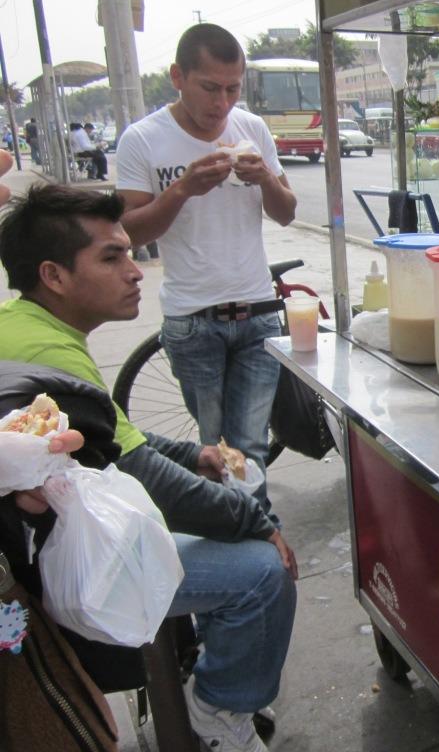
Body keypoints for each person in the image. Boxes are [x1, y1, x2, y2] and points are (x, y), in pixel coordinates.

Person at [0, 185, 298, 752]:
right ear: (54, 275)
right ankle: (218, 710)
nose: (136, 271)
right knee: (263, 571)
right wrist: (258, 522)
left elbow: (113, 437)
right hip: (58, 569)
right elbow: (143, 476)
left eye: (130, 252)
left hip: (54, 537)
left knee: (224, 520)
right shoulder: (50, 352)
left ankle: (215, 677)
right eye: (111, 258)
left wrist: (195, 454)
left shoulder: (27, 325)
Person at [116, 23, 297, 522]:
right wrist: (182, 190)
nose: (222, 103)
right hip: (192, 320)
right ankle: (243, 539)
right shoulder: (144, 140)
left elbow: (286, 212)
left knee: (250, 449)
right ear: (178, 76)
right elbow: (128, 232)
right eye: (210, 87)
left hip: (258, 311)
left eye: (233, 89)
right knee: (216, 455)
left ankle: (258, 539)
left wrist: (265, 180)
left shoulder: (252, 129)